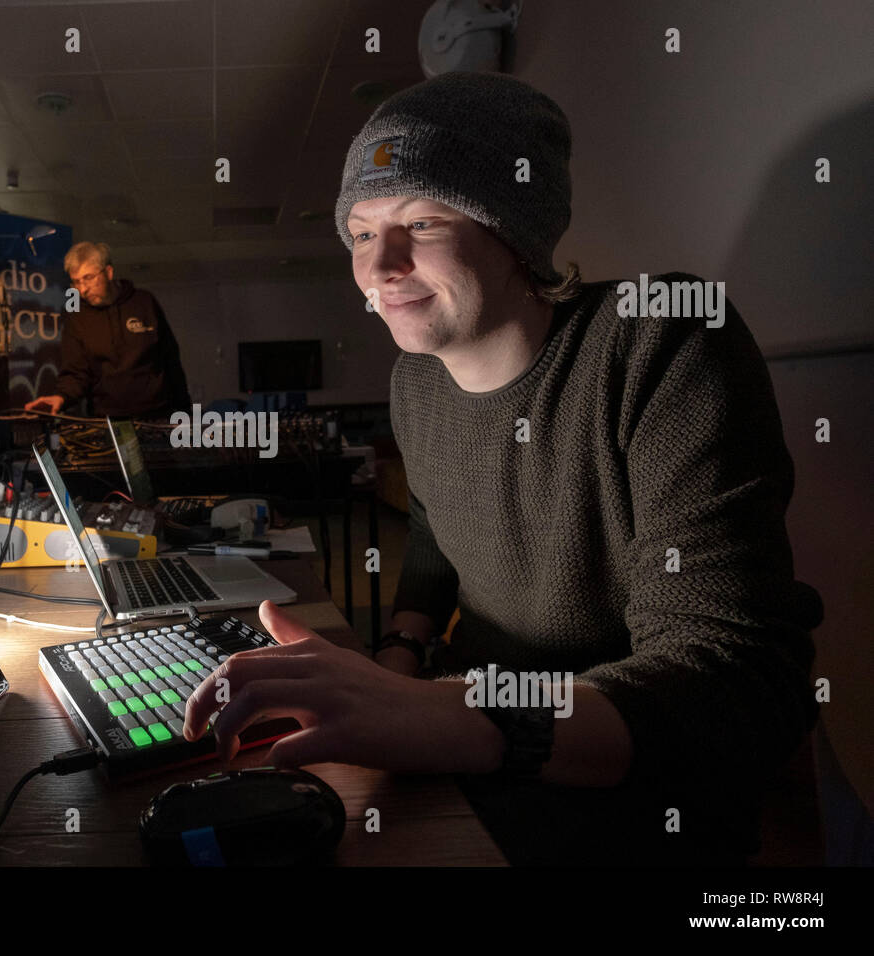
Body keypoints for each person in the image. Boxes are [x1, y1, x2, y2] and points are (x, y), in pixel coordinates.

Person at [179, 72, 820, 865]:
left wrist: (440, 714)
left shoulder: (663, 337)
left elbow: (733, 684)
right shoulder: (414, 383)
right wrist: (397, 659)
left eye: (422, 219)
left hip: (626, 800)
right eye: (361, 230)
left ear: (515, 232)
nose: (381, 265)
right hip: (466, 731)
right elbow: (436, 533)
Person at [25, 241, 190, 417]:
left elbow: (171, 359)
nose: (83, 289)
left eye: (88, 278)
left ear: (109, 272)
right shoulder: (76, 315)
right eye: (76, 282)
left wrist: (184, 411)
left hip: (157, 415)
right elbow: (76, 373)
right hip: (108, 421)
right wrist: (61, 397)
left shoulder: (144, 302)